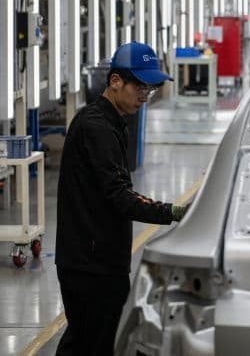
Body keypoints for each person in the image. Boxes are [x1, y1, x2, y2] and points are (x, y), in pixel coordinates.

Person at [55, 42, 187, 356]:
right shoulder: (97, 128)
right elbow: (120, 197)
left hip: (95, 257)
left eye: (149, 90)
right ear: (115, 81)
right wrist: (173, 211)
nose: (145, 96)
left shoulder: (110, 122)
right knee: (95, 343)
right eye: (140, 87)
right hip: (92, 264)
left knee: (85, 341)